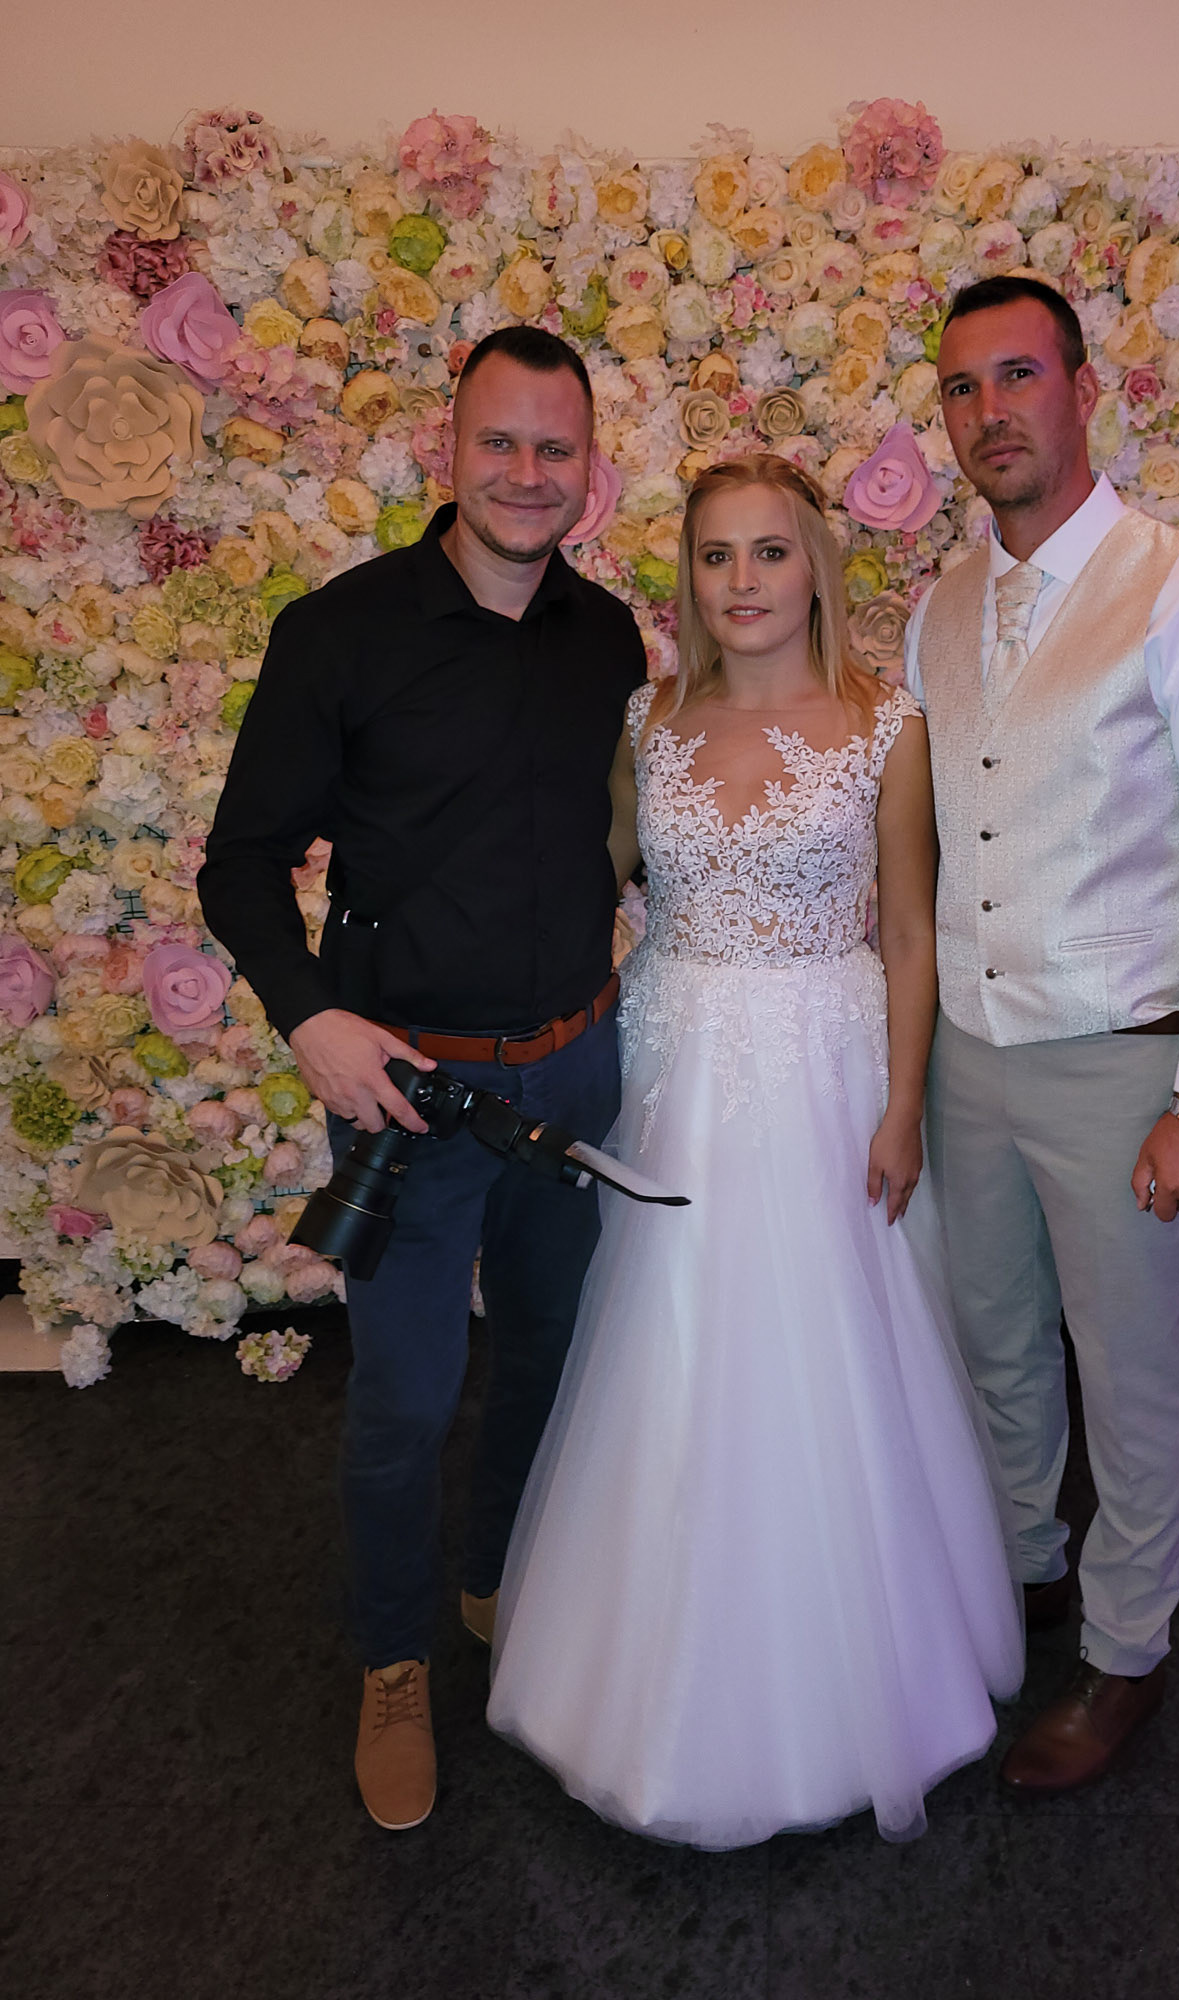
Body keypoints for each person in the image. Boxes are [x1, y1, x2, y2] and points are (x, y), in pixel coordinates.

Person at [485, 456, 1025, 1848]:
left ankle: (849, 1671)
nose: (743, 582)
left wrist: (902, 1106)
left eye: (770, 552)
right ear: (689, 574)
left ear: (816, 568)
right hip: (671, 1058)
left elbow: (910, 932)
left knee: (824, 1351)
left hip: (823, 1065)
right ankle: (643, 1668)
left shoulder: (884, 725)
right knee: (661, 1345)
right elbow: (584, 878)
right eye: (716, 556)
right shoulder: (648, 718)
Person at [198, 326, 646, 1832]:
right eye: (498, 442)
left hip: (573, 1078)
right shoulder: (338, 632)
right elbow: (241, 864)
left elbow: (614, 840)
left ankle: (495, 1583)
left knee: (546, 1359)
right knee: (403, 1399)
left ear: (588, 468)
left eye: (554, 448)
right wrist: (309, 1017)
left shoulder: (608, 639)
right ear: (446, 450)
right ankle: (392, 1664)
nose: (526, 473)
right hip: (409, 1098)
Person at [906, 275, 1179, 1793]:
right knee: (993, 1337)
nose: (989, 412)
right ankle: (1023, 1567)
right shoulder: (941, 605)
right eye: (961, 387)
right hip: (969, 1049)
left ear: (1082, 388)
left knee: (1129, 1374)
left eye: (1018, 376)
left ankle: (1127, 1654)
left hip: (1122, 1055)